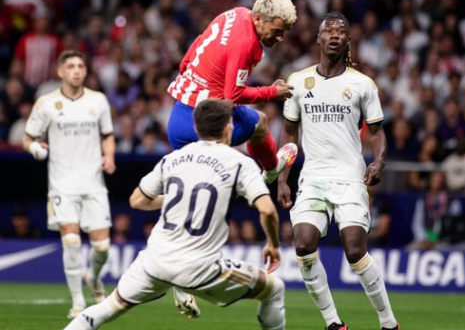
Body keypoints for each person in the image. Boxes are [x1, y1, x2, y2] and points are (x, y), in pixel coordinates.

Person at [64, 99, 285, 330]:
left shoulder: (172, 159)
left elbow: (137, 200)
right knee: (274, 289)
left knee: (108, 309)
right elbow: (268, 209)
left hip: (153, 261)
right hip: (199, 268)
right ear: (229, 126)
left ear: (196, 128)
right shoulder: (240, 163)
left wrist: (177, 200)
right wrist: (273, 243)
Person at [278, 12, 400, 330]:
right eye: (328, 31)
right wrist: (282, 177)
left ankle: (389, 323)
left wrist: (379, 160)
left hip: (349, 177)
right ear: (318, 39)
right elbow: (289, 133)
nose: (334, 35)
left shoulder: (361, 84)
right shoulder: (297, 82)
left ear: (347, 41)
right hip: (313, 178)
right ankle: (334, 323)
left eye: (341, 32)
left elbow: (376, 131)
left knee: (355, 252)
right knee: (303, 245)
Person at [167, 0, 298, 183]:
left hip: (178, 121)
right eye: (278, 31)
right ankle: (272, 169)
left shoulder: (234, 13)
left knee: (193, 193)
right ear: (259, 19)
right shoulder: (246, 43)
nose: (281, 38)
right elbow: (233, 94)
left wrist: (188, 74)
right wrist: (271, 92)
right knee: (260, 123)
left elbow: (198, 42)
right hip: (208, 126)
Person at [23, 50, 115, 319]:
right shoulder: (46, 103)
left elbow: (107, 135)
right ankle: (77, 302)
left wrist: (108, 156)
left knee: (101, 248)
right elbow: (28, 138)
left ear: (85, 71)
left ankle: (95, 279)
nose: (77, 70)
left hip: (93, 183)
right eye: (71, 66)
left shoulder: (98, 101)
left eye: (81, 66)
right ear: (61, 72)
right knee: (72, 241)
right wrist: (36, 150)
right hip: (62, 184)